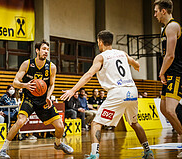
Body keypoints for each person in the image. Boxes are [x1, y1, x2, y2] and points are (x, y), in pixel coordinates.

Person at [61, 30, 154, 159]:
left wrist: (72, 90)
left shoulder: (101, 57)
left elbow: (88, 75)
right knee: (134, 123)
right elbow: (135, 63)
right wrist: (136, 66)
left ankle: (94, 154)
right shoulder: (122, 53)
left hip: (117, 92)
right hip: (132, 91)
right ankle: (148, 151)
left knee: (96, 123)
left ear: (100, 42)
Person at [0, 40, 73, 159]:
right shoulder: (27, 64)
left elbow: (51, 84)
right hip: (29, 99)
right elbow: (15, 82)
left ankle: (58, 144)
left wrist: (48, 96)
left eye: (47, 50)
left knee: (60, 126)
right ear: (37, 50)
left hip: (43, 100)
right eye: (44, 49)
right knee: (20, 121)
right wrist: (25, 85)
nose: (46, 52)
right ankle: (2, 150)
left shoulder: (51, 67)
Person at [154, 0, 182, 143]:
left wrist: (161, 72)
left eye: (156, 11)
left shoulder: (172, 26)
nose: (155, 15)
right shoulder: (166, 28)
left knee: (170, 110)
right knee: (164, 109)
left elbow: (170, 55)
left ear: (163, 11)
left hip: (177, 73)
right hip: (170, 72)